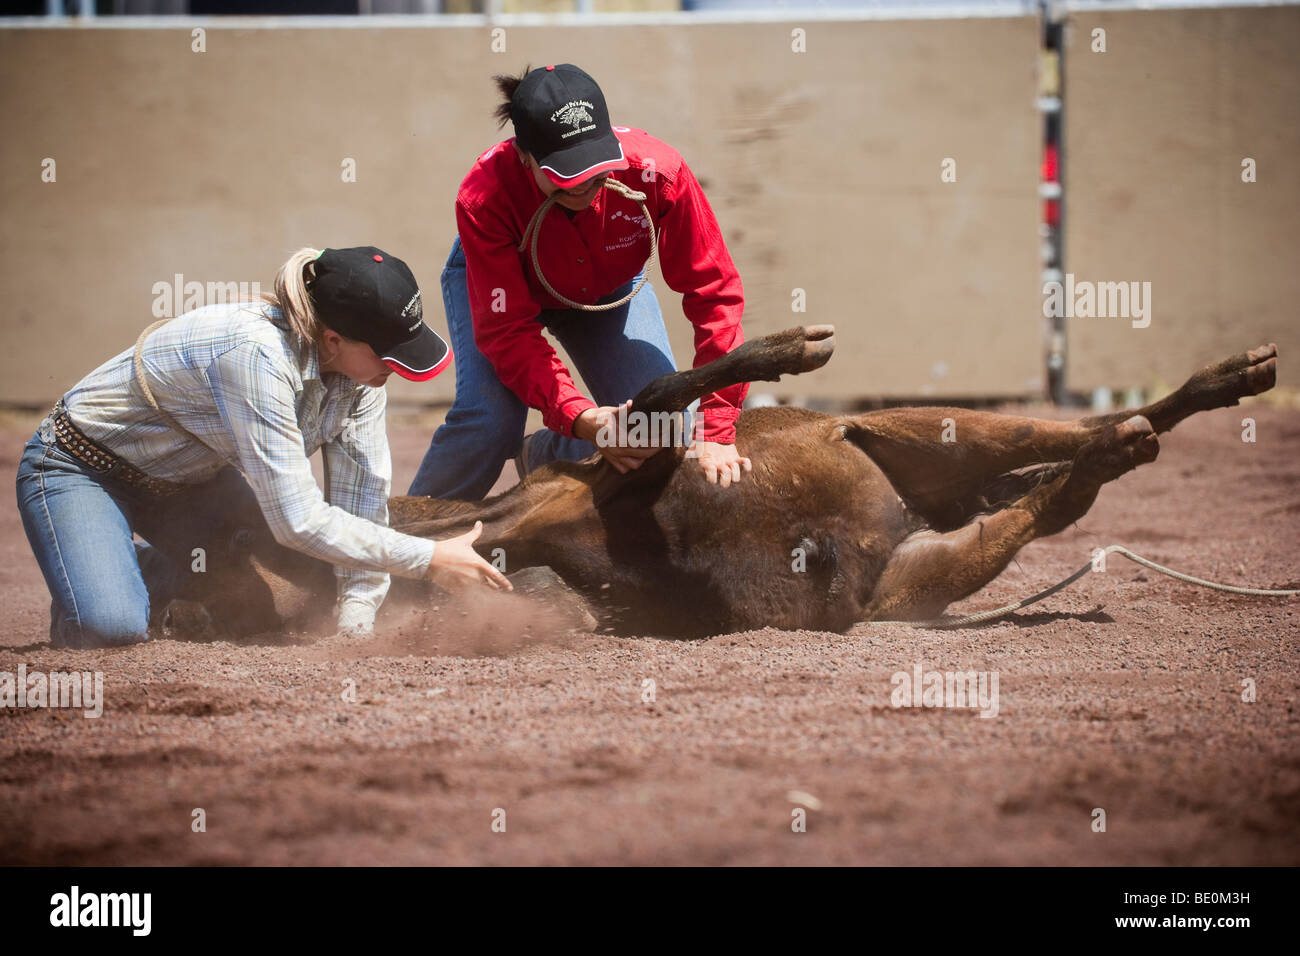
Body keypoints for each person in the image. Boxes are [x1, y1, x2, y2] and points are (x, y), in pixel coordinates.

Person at [15, 245, 510, 650]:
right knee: (110, 627)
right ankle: (98, 578)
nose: (396, 369)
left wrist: (356, 620)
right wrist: (429, 557)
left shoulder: (362, 384)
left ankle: (138, 566)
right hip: (79, 468)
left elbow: (360, 506)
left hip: (188, 484)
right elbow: (298, 521)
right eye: (386, 355)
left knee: (304, 590)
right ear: (333, 340)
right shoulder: (254, 355)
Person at [407, 63, 753, 501]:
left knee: (661, 427)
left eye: (594, 164)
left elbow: (715, 293)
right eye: (566, 171)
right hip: (510, 286)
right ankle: (401, 547)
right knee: (490, 424)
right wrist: (583, 417)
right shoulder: (485, 197)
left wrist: (718, 428)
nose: (586, 183)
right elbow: (508, 331)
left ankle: (548, 453)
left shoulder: (657, 172)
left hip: (606, 289)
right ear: (524, 157)